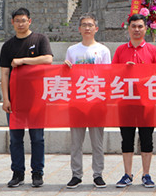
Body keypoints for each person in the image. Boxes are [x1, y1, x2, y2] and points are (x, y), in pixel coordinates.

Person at [0, 7, 53, 188]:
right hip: (15, 101)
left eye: (23, 20)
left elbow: (48, 59)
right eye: (17, 21)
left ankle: (37, 173)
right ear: (12, 23)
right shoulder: (8, 46)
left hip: (36, 99)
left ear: (29, 21)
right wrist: (6, 99)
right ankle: (17, 173)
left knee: (37, 138)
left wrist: (23, 61)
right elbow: (5, 74)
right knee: (15, 139)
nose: (20, 24)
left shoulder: (40, 39)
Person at [112, 13, 156, 189]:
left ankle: (146, 174)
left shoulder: (152, 50)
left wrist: (144, 74)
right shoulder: (120, 50)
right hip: (125, 102)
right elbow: (111, 73)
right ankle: (127, 174)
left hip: (147, 103)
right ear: (128, 28)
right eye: (133, 26)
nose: (136, 29)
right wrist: (124, 70)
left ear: (146, 29)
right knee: (126, 139)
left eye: (140, 26)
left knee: (146, 138)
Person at [64, 14, 112, 189]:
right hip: (77, 101)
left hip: (96, 101)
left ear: (96, 28)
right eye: (84, 25)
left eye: (90, 25)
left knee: (97, 142)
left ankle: (98, 174)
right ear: (79, 29)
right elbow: (67, 75)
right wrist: (65, 68)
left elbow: (107, 75)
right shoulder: (72, 50)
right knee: (76, 142)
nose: (87, 28)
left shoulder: (103, 50)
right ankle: (76, 175)